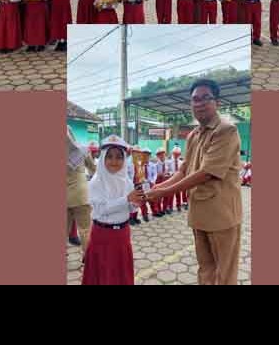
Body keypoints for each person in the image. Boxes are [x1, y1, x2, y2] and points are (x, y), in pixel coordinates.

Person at [144, 79, 243, 285]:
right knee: (205, 268)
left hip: (222, 215)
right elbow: (184, 169)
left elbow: (207, 173)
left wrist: (164, 193)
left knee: (225, 273)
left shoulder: (226, 131)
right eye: (195, 99)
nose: (199, 104)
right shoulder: (193, 135)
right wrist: (159, 186)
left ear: (217, 102)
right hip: (199, 214)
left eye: (206, 98)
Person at [82, 135, 143, 285]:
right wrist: (126, 199)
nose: (114, 161)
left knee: (121, 274)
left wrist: (137, 202)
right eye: (109, 156)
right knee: (102, 274)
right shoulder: (96, 182)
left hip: (122, 235)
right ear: (103, 158)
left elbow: (130, 208)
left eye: (119, 157)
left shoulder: (126, 181)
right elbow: (102, 209)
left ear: (124, 159)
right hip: (102, 235)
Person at [67, 128, 95, 258]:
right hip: (81, 196)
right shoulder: (82, 150)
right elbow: (93, 169)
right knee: (85, 229)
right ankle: (87, 257)